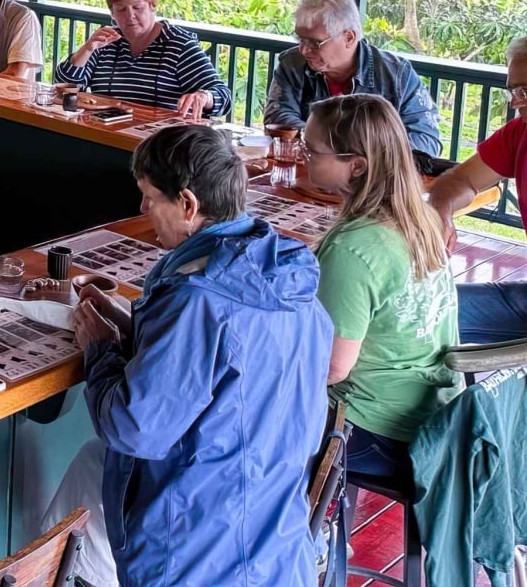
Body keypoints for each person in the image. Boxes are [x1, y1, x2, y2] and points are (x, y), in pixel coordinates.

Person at [48, 124, 330, 586]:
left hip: (197, 547)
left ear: (188, 204)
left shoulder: (197, 298)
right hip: (273, 537)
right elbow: (228, 368)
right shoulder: (284, 279)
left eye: (149, 197)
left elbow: (132, 427)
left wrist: (99, 347)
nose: (142, 209)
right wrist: (135, 325)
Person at [304, 94, 461, 481]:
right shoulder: (421, 216)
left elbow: (331, 368)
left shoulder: (353, 249)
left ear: (356, 165)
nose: (303, 156)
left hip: (371, 424)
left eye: (312, 151)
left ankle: (302, 520)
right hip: (435, 411)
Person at [427, 34, 527, 344]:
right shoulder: (519, 133)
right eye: (513, 91)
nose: (515, 102)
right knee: (418, 310)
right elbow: (459, 180)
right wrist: (442, 210)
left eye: (525, 91)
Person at [265, 0, 441, 155]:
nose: (303, 50)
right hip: (308, 170)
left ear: (349, 37)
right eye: (300, 39)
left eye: (314, 43)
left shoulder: (396, 75)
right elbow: (277, 118)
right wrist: (334, 145)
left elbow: (426, 141)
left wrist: (345, 147)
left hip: (373, 174)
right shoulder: (293, 63)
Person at [54, 0, 231, 117]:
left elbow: (223, 96)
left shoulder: (177, 44)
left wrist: (204, 96)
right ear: (112, 13)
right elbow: (64, 87)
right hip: (104, 131)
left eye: (137, 7)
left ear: (153, 6)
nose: (130, 15)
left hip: (158, 139)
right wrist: (87, 49)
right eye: (121, 9)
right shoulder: (106, 41)